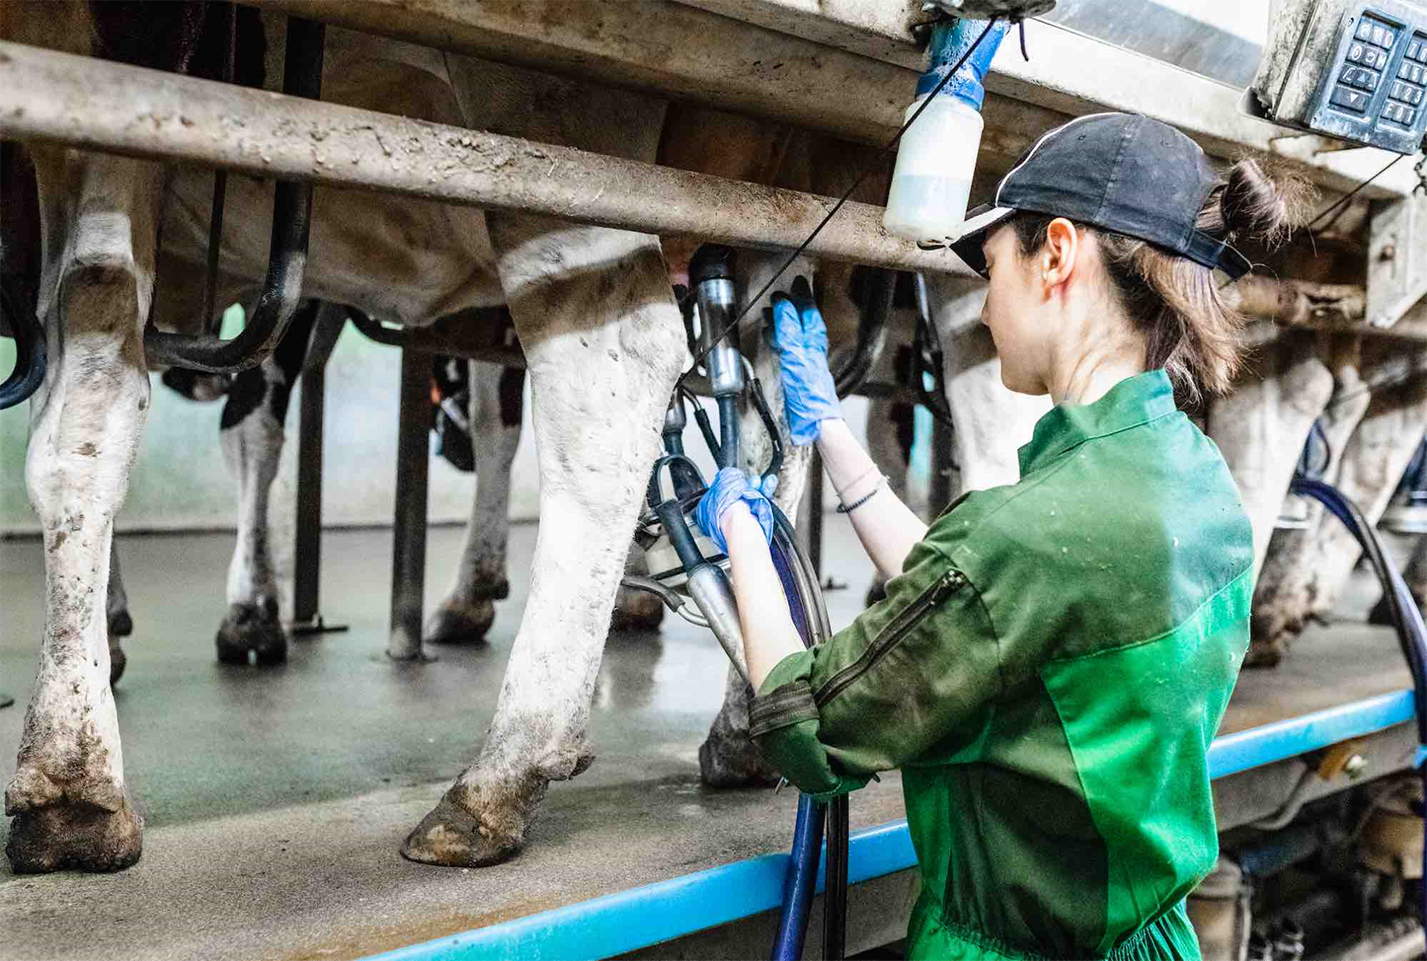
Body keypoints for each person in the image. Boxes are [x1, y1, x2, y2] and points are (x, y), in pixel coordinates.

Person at [695, 113, 1297, 960]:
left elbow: (805, 722)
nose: (982, 305)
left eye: (990, 267)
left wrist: (738, 534)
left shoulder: (1022, 534)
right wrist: (833, 440)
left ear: (1056, 253)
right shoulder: (1197, 484)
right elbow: (993, 618)